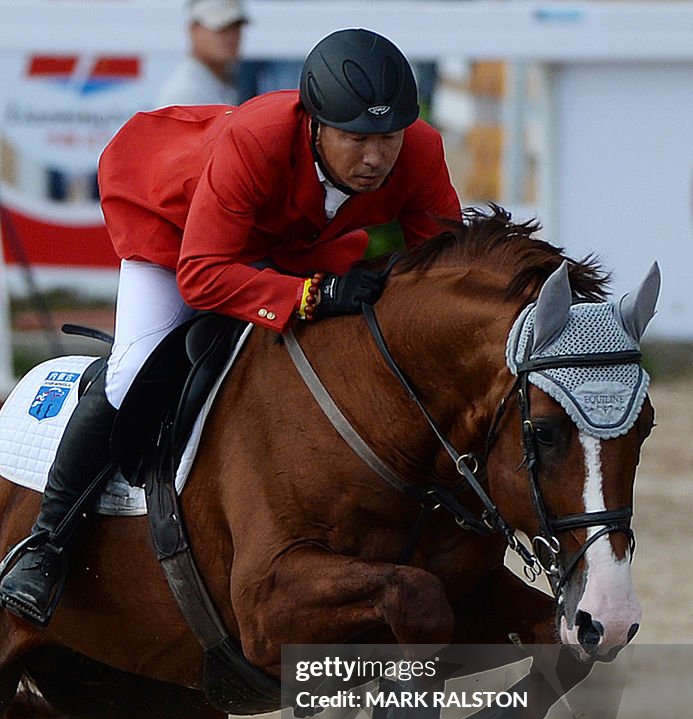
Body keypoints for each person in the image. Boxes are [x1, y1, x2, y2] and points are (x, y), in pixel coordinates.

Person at [0, 28, 462, 628]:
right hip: (178, 234)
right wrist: (312, 295)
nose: (375, 158)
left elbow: (447, 260)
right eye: (356, 139)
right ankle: (44, 546)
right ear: (315, 124)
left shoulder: (419, 148)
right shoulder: (258, 138)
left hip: (292, 242)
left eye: (388, 138)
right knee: (133, 373)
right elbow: (203, 277)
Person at [156, 0, 248, 107]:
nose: (230, 36)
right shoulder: (184, 93)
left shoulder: (225, 82)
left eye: (235, 27)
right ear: (193, 29)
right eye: (220, 27)